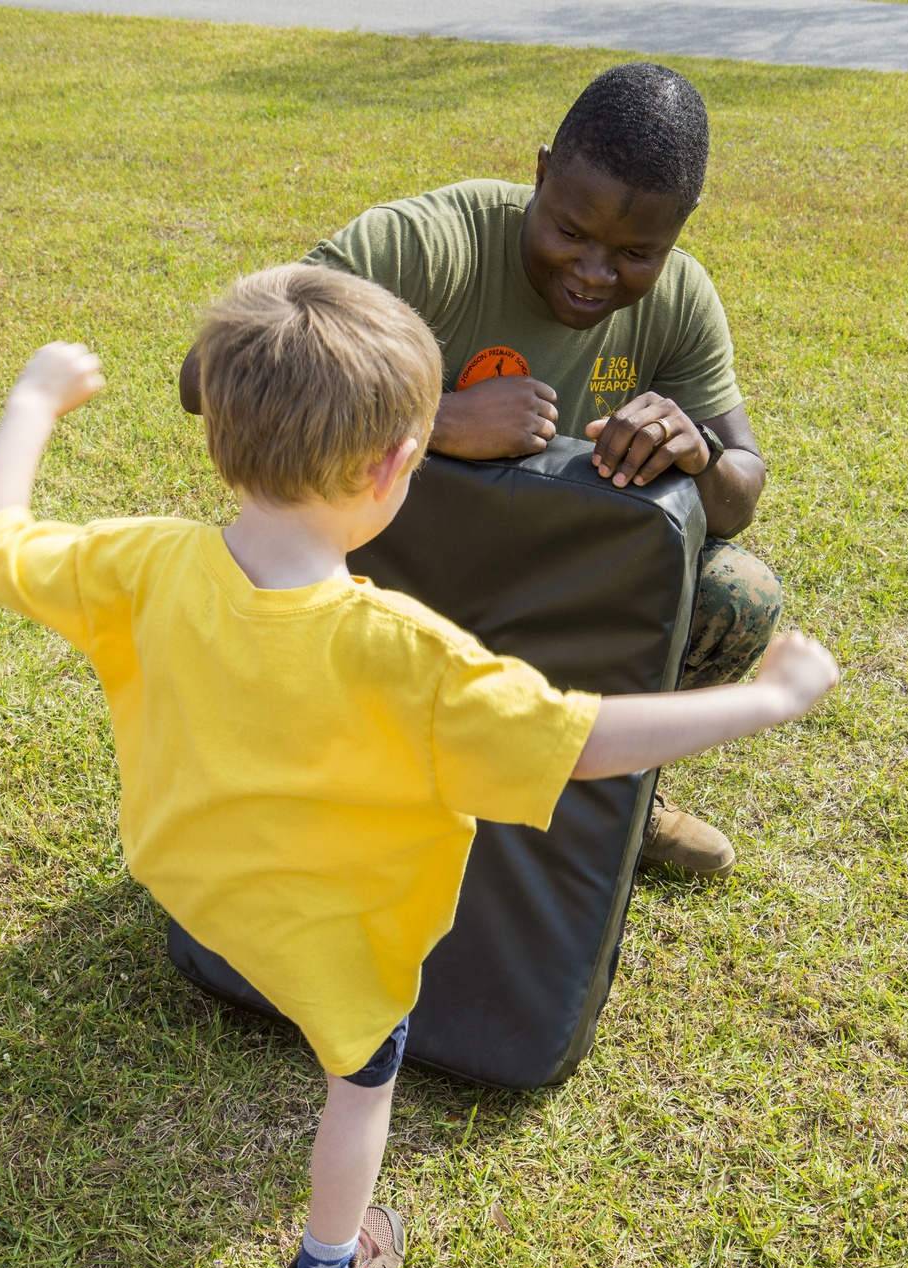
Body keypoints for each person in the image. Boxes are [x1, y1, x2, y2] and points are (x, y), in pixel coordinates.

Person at [0, 266, 837, 1268]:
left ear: (221, 439)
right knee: (361, 1084)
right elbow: (585, 742)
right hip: (342, 948)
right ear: (394, 467)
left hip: (188, 879)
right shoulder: (408, 657)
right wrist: (765, 699)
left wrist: (33, 403)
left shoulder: (141, 560)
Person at [179, 63, 780, 881]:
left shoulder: (679, 300)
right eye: (570, 232)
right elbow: (204, 376)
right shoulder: (431, 244)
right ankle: (331, 774)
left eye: (638, 251)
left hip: (550, 599)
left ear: (680, 229)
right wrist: (426, 421)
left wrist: (699, 455)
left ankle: (605, 799)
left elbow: (741, 494)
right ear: (540, 173)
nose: (596, 273)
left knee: (737, 593)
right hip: (392, 576)